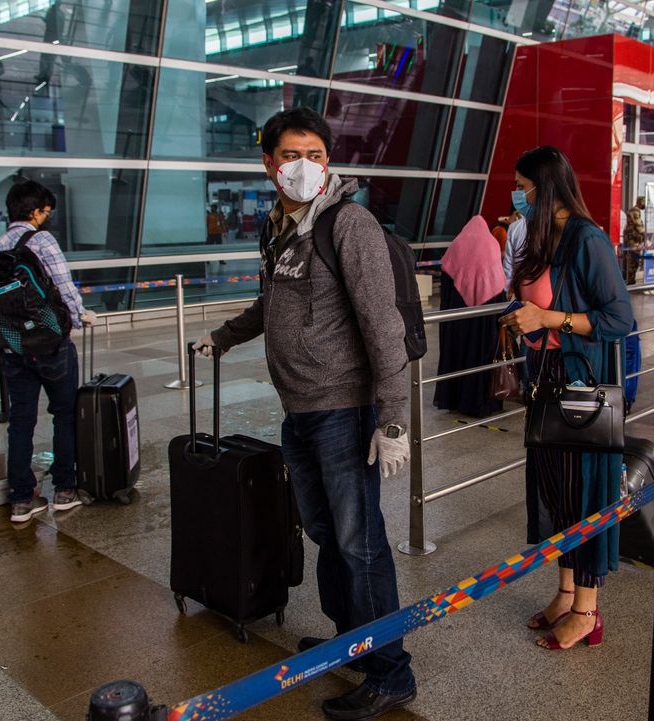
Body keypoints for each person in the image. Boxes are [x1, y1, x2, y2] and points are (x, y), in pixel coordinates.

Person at [194, 107, 416, 721]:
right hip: (301, 410)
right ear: (269, 164)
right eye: (292, 155)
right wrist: (224, 336)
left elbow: (383, 327)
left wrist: (393, 420)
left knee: (360, 542)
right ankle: (353, 638)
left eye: (316, 155)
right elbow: (273, 303)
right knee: (325, 535)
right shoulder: (280, 228)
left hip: (345, 409)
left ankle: (390, 672)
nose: (305, 166)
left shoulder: (349, 223)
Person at [498, 146, 634, 650]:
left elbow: (620, 319)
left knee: (583, 495)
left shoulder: (586, 239)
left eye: (522, 186)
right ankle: (564, 591)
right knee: (557, 491)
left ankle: (587, 610)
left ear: (544, 187)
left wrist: (548, 320)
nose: (517, 195)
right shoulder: (546, 237)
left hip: (580, 383)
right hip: (548, 376)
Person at [0, 180, 97, 524]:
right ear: (35, 211)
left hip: (13, 347)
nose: (47, 217)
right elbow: (63, 286)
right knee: (64, 413)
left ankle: (21, 499)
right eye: (46, 211)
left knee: (20, 421)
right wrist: (81, 316)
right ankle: (65, 489)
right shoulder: (42, 239)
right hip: (51, 345)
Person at [434, 215, 507, 417]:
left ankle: (454, 399)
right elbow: (498, 282)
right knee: (481, 356)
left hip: (458, 317)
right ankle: (480, 402)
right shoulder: (490, 244)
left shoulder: (457, 244)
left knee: (458, 355)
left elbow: (446, 280)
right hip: (484, 317)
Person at [622, 196, 647, 285]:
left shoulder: (633, 210)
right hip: (633, 241)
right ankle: (630, 282)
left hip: (631, 240)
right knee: (632, 262)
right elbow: (639, 227)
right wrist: (645, 236)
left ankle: (629, 280)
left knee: (630, 262)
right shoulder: (635, 211)